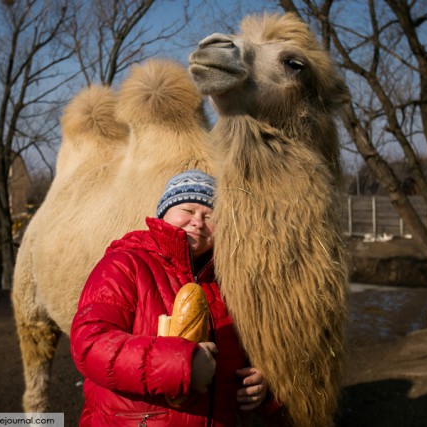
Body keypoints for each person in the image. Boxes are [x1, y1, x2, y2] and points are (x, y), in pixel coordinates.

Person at [70, 169, 277, 426]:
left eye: (210, 216)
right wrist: (182, 364)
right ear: (164, 214)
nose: (199, 222)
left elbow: (243, 358)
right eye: (188, 211)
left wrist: (260, 385)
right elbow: (90, 344)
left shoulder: (228, 283)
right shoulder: (125, 264)